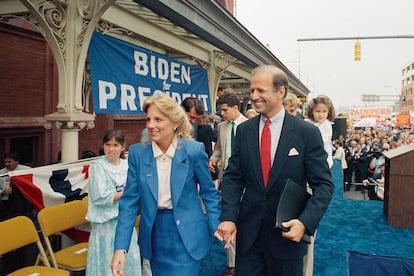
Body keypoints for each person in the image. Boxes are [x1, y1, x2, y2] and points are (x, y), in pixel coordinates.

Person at [218, 65, 334, 276]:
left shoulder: (305, 133)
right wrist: (228, 216)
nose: (254, 96)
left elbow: (324, 185)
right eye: (252, 90)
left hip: (287, 237)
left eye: (261, 90)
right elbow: (233, 178)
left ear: (281, 92)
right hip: (249, 237)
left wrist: (305, 222)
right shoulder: (245, 131)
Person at [110, 94, 222, 276]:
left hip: (188, 236)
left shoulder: (193, 151)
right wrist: (120, 248)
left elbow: (209, 193)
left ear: (175, 123)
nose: (150, 125)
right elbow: (129, 203)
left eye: (158, 119)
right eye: (148, 119)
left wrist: (216, 224)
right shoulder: (138, 153)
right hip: (155, 237)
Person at [85, 129, 141, 276]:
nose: (111, 149)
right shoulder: (98, 166)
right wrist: (126, 192)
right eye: (108, 144)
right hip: (105, 225)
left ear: (123, 147)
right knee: (106, 266)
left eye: (116, 145)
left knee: (129, 263)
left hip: (125, 222)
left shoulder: (127, 165)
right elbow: (100, 196)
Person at [208, 92, 247, 276]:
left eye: (224, 110)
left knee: (246, 220)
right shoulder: (221, 127)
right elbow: (220, 149)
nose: (221, 113)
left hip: (247, 181)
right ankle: (231, 264)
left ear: (235, 108)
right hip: (227, 180)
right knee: (228, 217)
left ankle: (246, 259)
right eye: (220, 110)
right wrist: (213, 158)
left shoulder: (249, 126)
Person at [306, 95, 336, 168]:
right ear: (312, 111)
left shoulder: (327, 125)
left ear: (328, 112)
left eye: (324, 111)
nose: (321, 114)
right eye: (318, 111)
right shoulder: (307, 123)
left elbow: (321, 141)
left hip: (323, 160)